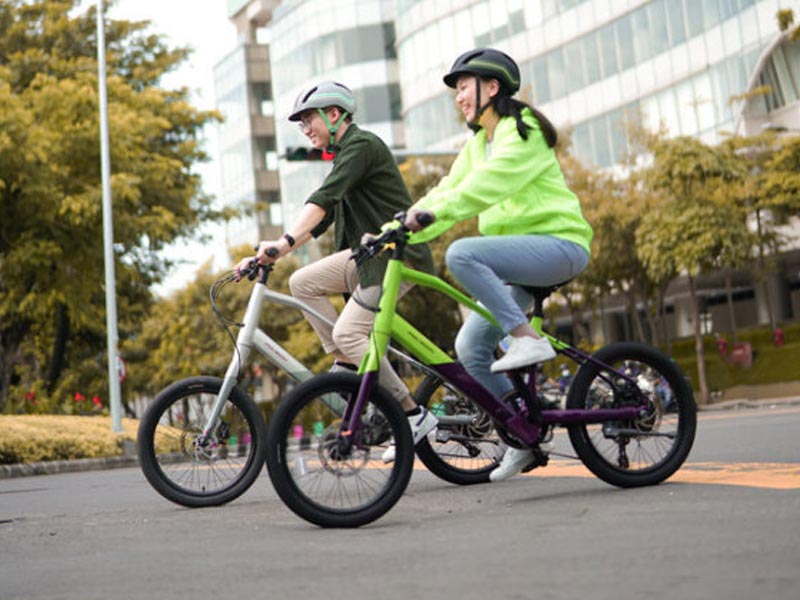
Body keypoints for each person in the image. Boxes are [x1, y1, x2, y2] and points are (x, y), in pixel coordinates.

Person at [403, 48, 594, 481]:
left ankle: (526, 338)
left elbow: (484, 186)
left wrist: (430, 217)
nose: (458, 98)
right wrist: (398, 228)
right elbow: (447, 190)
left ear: (491, 87)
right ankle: (524, 434)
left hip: (559, 245)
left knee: (462, 253)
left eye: (463, 87)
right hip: (521, 260)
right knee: (470, 348)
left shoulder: (520, 131)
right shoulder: (478, 144)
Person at [235, 81, 438, 448]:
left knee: (349, 331)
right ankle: (346, 363)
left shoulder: (361, 146)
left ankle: (412, 414)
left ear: (334, 114)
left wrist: (282, 242)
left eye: (309, 119)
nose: (306, 129)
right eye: (300, 125)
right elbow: (322, 221)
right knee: (302, 283)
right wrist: (271, 254)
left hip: (394, 258)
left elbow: (324, 201)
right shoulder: (345, 155)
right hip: (367, 259)